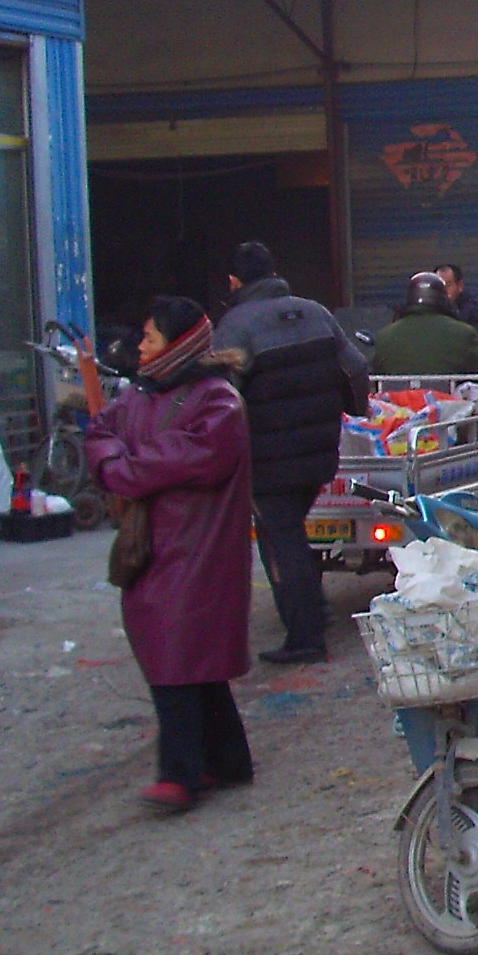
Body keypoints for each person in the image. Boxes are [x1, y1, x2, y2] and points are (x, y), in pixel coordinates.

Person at [86, 297, 255, 813]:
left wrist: (123, 467)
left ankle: (179, 773)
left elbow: (188, 459)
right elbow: (100, 435)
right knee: (188, 655)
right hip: (156, 546)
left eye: (151, 339)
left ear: (179, 346)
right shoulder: (138, 398)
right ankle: (227, 759)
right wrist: (118, 461)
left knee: (175, 653)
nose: (140, 347)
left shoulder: (218, 402)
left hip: (198, 548)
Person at [212, 242, 368, 666]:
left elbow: (220, 399)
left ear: (233, 281)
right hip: (319, 453)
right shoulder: (316, 312)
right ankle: (310, 614)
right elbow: (355, 369)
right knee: (291, 533)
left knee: (283, 541)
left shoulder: (235, 325)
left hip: (267, 460)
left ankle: (305, 636)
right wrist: (357, 412)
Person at [370, 273, 478, 397]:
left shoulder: (385, 336)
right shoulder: (461, 333)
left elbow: (369, 378)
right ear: (443, 299)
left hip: (397, 425)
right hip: (449, 426)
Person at [435, 263, 478, 353]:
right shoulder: (428, 309)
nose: (443, 290)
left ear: (460, 286)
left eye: (448, 285)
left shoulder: (477, 308)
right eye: (438, 286)